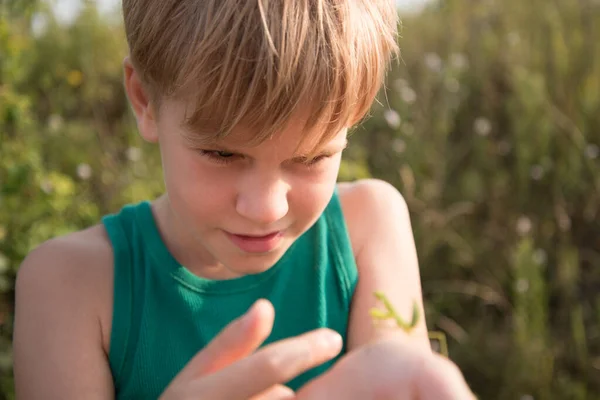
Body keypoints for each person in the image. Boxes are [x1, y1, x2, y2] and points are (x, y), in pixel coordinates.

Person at [12, 0, 476, 398]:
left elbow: (391, 365)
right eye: (221, 153)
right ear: (143, 99)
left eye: (311, 157)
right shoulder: (69, 286)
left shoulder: (369, 227)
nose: (266, 209)